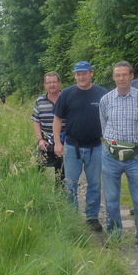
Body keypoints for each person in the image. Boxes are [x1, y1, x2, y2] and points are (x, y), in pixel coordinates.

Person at [99, 61, 138, 254]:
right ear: (114, 78)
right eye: (117, 75)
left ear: (132, 76)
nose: (121, 79)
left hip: (136, 156)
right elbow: (104, 125)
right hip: (110, 156)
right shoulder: (106, 100)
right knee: (112, 198)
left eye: (125, 75)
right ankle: (114, 234)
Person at [53, 61, 107, 232]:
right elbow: (57, 119)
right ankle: (72, 216)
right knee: (70, 183)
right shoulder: (66, 94)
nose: (81, 76)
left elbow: (110, 119)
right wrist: (57, 142)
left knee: (94, 184)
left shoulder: (102, 94)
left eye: (84, 73)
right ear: (75, 75)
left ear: (91, 73)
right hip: (72, 146)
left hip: (95, 146)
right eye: (78, 74)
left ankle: (92, 217)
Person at [32, 72, 65, 182]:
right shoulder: (40, 101)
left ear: (60, 83)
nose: (52, 85)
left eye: (54, 82)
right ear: (45, 85)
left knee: (62, 173)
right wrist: (40, 139)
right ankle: (42, 195)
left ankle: (61, 195)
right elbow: (36, 121)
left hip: (64, 140)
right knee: (39, 169)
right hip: (46, 140)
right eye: (49, 82)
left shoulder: (66, 98)